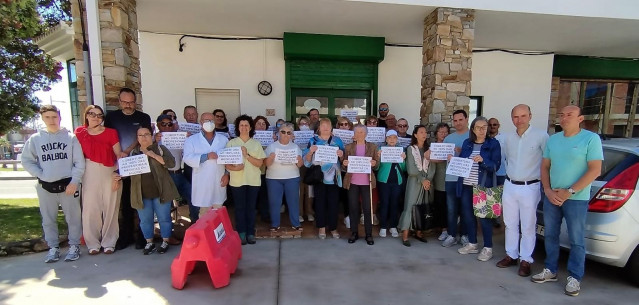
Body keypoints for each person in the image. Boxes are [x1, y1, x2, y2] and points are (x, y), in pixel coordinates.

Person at [531, 105, 602, 297]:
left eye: (569, 115)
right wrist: (547, 190)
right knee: (551, 235)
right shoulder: (553, 140)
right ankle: (550, 270)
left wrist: (569, 191)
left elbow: (595, 170)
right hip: (552, 196)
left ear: (580, 118)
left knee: (576, 240)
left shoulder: (590, 139)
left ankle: (574, 277)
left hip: (576, 199)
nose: (564, 118)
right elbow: (545, 167)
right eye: (561, 115)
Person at [22, 105, 85, 263]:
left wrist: (75, 181)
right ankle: (53, 248)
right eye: (48, 117)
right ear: (43, 119)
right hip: (45, 185)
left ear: (59, 117)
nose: (51, 120)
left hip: (68, 185)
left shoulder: (70, 138)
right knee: (48, 218)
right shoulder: (36, 139)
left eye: (54, 116)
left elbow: (79, 162)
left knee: (73, 218)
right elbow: (26, 160)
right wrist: (40, 174)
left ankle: (74, 245)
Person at [496, 105, 548, 277]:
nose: (519, 120)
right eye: (516, 117)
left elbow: (547, 162)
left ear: (530, 116)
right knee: (510, 223)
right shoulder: (507, 138)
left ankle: (526, 259)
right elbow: (501, 158)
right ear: (512, 119)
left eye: (523, 116)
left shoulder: (541, 136)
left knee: (528, 225)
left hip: (530, 186)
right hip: (510, 185)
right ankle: (511, 255)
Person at [104, 87, 151, 250]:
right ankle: (126, 236)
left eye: (131, 102)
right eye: (124, 102)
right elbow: (108, 139)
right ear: (119, 102)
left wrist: (127, 151)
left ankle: (143, 236)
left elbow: (143, 138)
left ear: (135, 102)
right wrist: (119, 155)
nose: (128, 105)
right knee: (124, 203)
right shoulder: (111, 118)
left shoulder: (143, 117)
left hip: (138, 165)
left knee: (140, 202)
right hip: (119, 166)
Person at [74, 105, 122, 255]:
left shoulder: (111, 132)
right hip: (89, 170)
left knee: (111, 207)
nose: (96, 117)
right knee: (90, 207)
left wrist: (118, 172)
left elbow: (118, 153)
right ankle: (92, 243)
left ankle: (109, 242)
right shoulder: (79, 133)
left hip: (109, 169)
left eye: (99, 115)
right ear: (86, 115)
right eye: (92, 114)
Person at [454, 116, 501, 262]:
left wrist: (483, 160)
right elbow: (462, 162)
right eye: (478, 127)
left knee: (485, 218)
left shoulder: (493, 144)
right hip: (467, 185)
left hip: (483, 187)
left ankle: (488, 248)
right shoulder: (467, 143)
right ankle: (473, 243)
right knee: (468, 217)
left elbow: (495, 166)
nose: (481, 130)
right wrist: (453, 160)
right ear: (473, 129)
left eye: (484, 127)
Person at [127, 126, 179, 255]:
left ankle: (165, 241)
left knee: (164, 218)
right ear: (137, 138)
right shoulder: (133, 153)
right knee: (145, 220)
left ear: (152, 135)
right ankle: (149, 242)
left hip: (160, 192)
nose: (144, 137)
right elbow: (126, 170)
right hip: (141, 193)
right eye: (140, 135)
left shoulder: (160, 149)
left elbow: (171, 163)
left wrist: (153, 155)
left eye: (146, 134)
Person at [226, 115, 266, 245]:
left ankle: (250, 233)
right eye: (241, 125)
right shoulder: (231, 143)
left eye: (246, 125)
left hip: (253, 181)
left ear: (250, 127)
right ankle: (241, 233)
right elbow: (226, 163)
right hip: (237, 181)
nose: (244, 127)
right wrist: (235, 169)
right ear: (238, 127)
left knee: (251, 208)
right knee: (239, 208)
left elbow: (260, 163)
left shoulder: (256, 144)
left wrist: (247, 155)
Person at [304, 118, 345, 239]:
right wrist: (310, 152)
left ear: (332, 127)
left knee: (333, 203)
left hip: (334, 178)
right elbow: (307, 162)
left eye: (328, 125)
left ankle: (333, 228)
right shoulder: (313, 140)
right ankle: (321, 227)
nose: (326, 127)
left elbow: (343, 161)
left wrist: (341, 155)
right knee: (320, 203)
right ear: (319, 127)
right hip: (319, 177)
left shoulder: (337, 141)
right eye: (323, 125)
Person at [183, 113, 230, 217]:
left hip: (219, 179)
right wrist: (205, 156)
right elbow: (187, 158)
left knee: (218, 210)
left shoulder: (223, 139)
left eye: (211, 120)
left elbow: (229, 158)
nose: (209, 123)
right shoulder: (192, 140)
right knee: (204, 213)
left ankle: (217, 233)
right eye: (206, 120)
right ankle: (205, 233)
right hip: (202, 181)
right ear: (200, 122)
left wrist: (227, 174)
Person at [155, 114, 197, 224]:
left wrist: (189, 139)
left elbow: (189, 152)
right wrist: (154, 140)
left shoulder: (179, 138)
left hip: (179, 174)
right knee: (167, 206)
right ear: (158, 125)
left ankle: (195, 224)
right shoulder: (155, 139)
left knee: (193, 197)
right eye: (163, 124)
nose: (167, 126)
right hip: (165, 176)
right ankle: (168, 234)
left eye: (170, 124)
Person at [398, 125, 435, 247]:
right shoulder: (410, 149)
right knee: (410, 206)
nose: (424, 134)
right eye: (421, 132)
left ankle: (419, 232)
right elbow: (411, 168)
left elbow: (432, 166)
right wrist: (422, 179)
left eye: (425, 132)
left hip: (427, 184)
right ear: (415, 135)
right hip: (415, 182)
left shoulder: (429, 149)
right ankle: (405, 235)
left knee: (423, 205)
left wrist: (428, 179)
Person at [343, 125, 379, 245]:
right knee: (353, 208)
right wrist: (344, 163)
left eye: (362, 132)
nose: (360, 134)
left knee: (368, 209)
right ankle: (354, 232)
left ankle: (369, 234)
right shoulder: (348, 147)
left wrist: (374, 163)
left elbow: (377, 165)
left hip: (367, 182)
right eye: (357, 132)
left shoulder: (372, 147)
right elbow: (343, 165)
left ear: (366, 133)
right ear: (354, 134)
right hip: (352, 182)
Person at [264, 122, 304, 231]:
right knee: (274, 202)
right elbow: (266, 164)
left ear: (291, 135)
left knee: (293, 201)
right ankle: (275, 224)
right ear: (278, 133)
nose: (286, 134)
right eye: (283, 132)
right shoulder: (271, 146)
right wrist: (271, 158)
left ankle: (295, 223)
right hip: (273, 178)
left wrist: (300, 161)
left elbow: (300, 165)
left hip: (292, 177)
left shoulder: (295, 147)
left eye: (288, 132)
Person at [441, 110, 470, 248]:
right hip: (451, 178)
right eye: (455, 120)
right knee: (451, 208)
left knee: (466, 208)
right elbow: (440, 157)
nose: (458, 123)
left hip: (467, 179)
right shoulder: (448, 139)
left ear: (466, 119)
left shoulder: (473, 136)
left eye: (460, 120)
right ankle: (452, 234)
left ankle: (464, 235)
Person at [376, 130, 406, 238]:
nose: (392, 140)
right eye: (390, 137)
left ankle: (393, 226)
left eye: (394, 137)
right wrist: (378, 157)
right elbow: (376, 167)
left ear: (397, 139)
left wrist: (403, 159)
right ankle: (383, 226)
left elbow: (404, 168)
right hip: (384, 181)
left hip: (397, 181)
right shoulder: (380, 150)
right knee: (384, 203)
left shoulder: (401, 150)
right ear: (386, 139)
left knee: (395, 204)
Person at [429, 123, 450, 242]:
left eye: (446, 132)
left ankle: (451, 230)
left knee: (451, 207)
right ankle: (444, 230)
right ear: (436, 134)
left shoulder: (451, 146)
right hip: (437, 181)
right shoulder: (433, 147)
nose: (443, 134)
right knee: (440, 206)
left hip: (451, 181)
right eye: (441, 132)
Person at [254, 115, 272, 223]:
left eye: (263, 124)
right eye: (258, 123)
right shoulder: (250, 138)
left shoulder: (271, 138)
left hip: (267, 170)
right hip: (254, 170)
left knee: (265, 193)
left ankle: (265, 214)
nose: (261, 126)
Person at [335, 116, 353, 228]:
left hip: (350, 170)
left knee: (348, 195)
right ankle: (334, 219)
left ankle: (347, 217)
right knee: (337, 195)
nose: (343, 126)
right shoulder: (334, 138)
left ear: (349, 126)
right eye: (341, 124)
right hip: (337, 170)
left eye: (346, 124)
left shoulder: (354, 137)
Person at [296, 116, 315, 223]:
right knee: (299, 190)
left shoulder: (314, 137)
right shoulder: (294, 136)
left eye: (306, 124)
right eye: (302, 124)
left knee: (310, 190)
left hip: (310, 165)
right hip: (298, 165)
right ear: (298, 126)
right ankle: (299, 213)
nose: (304, 126)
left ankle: (309, 212)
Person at [182, 105, 198, 184]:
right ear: (184, 116)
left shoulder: (204, 129)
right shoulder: (179, 130)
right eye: (188, 114)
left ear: (197, 115)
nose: (191, 117)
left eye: (193, 114)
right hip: (188, 163)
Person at [488, 118, 507, 186]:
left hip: (501, 172)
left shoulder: (505, 138)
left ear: (498, 126)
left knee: (501, 195)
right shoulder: (484, 138)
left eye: (494, 124)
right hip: (487, 173)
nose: (492, 126)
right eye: (490, 125)